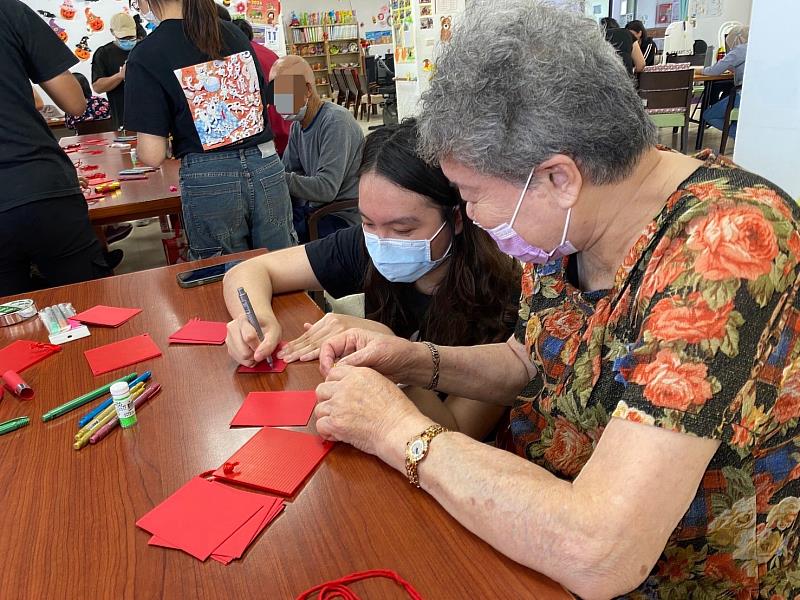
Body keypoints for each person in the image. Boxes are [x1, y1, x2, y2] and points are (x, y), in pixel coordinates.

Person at [311, 1, 800, 597]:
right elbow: (533, 362)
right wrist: (412, 361)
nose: (470, 217)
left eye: (470, 195)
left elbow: (602, 550)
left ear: (558, 178)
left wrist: (397, 429)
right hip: (528, 538)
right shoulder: (571, 231)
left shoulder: (727, 246)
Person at [224, 119, 520, 439]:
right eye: (367, 222)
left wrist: (393, 355)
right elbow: (248, 271)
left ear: (457, 218)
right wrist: (255, 321)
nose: (382, 240)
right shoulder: (364, 245)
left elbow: (458, 433)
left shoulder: (507, 298)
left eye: (403, 229)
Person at [124, 0, 295, 259]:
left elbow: (152, 154)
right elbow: (262, 102)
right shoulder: (232, 32)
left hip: (210, 176)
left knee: (224, 273)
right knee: (281, 265)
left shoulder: (146, 53)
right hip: (266, 164)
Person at [0, 0, 111, 295]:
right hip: (37, 181)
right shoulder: (9, 11)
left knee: (11, 329)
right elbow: (74, 103)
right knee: (92, 307)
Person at [272, 55, 365, 243]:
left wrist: (276, 177)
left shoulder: (336, 122)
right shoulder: (298, 125)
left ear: (306, 90)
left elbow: (326, 189)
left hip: (340, 216)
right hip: (314, 209)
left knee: (282, 244)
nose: (278, 101)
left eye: (284, 92)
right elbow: (290, 169)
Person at [231, 18, 290, 156]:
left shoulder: (238, 58)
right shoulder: (272, 55)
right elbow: (290, 100)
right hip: (286, 131)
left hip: (262, 142)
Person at [92, 13, 138, 130]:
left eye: (131, 37)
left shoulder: (144, 48)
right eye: (123, 38)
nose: (128, 40)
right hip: (122, 117)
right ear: (113, 32)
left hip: (151, 114)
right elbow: (98, 87)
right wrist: (120, 76)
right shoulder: (103, 54)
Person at [702, 25, 749, 138]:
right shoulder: (759, 48)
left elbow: (714, 71)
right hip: (760, 97)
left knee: (709, 115)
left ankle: (740, 136)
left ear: (738, 38)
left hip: (742, 94)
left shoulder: (740, 50)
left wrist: (700, 70)